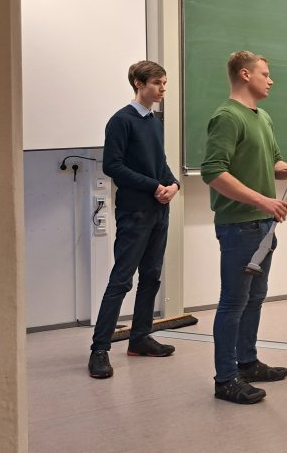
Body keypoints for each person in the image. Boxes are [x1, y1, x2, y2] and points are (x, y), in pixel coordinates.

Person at [200, 51, 287, 404]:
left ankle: (247, 363)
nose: (271, 79)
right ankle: (225, 379)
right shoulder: (227, 117)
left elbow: (272, 163)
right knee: (233, 301)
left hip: (263, 224)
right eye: (266, 73)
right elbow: (213, 172)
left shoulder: (262, 117)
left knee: (254, 298)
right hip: (240, 226)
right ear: (245, 75)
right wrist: (263, 201)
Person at [88, 61, 180, 379]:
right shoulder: (120, 121)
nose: (163, 89)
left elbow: (161, 163)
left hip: (158, 211)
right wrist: (153, 186)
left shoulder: (155, 122)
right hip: (135, 212)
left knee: (152, 276)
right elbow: (112, 166)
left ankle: (139, 339)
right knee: (121, 280)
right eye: (158, 83)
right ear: (139, 84)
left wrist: (173, 185)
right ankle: (99, 349)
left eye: (165, 83)